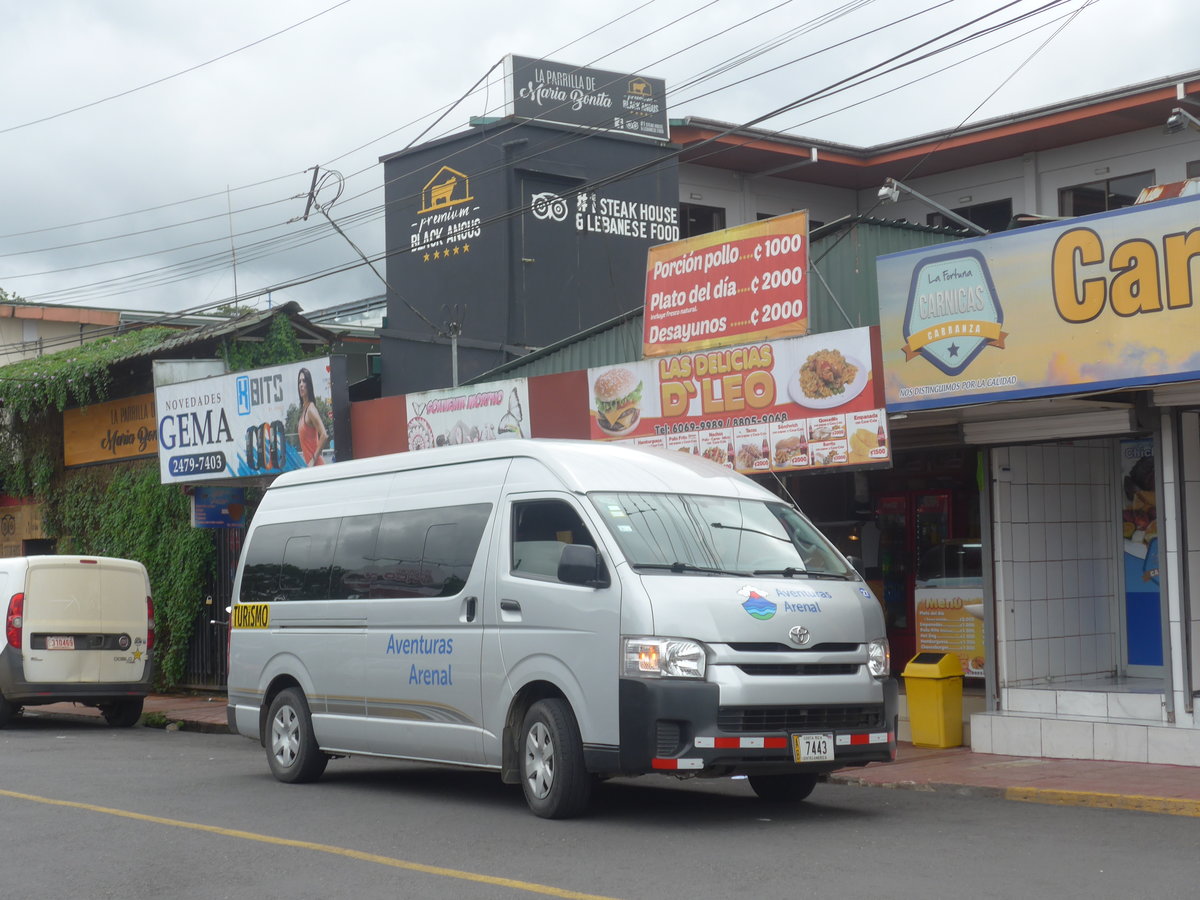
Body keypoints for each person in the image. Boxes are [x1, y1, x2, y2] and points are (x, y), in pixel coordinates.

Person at [296, 367, 329, 466]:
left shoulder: (311, 409)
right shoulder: (304, 409)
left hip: (317, 467)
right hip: (312, 468)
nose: (301, 385)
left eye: (304, 381)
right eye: (299, 382)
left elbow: (324, 435)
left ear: (309, 385)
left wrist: (313, 460)